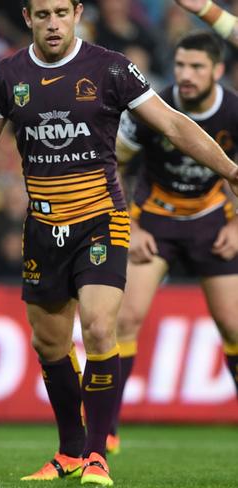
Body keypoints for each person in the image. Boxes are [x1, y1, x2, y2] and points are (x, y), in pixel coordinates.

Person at [0, 0, 238, 486]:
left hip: (101, 220)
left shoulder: (112, 68)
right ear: (28, 18)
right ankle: (69, 451)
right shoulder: (6, 75)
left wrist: (231, 171)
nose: (53, 22)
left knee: (102, 328)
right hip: (43, 226)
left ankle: (98, 455)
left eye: (62, 12)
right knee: (50, 343)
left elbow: (171, 123)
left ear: (78, 13)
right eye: (43, 15)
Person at [109, 31, 238, 455]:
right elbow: (113, 165)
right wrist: (132, 224)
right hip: (156, 220)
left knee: (233, 327)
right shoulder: (152, 108)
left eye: (197, 67)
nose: (186, 74)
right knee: (125, 320)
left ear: (217, 71)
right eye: (181, 65)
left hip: (211, 218)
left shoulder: (234, 111)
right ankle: (105, 432)